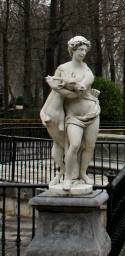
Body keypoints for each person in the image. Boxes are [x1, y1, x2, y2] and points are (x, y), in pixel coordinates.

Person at [41, 35, 100, 191]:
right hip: (73, 116)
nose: (83, 53)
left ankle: (83, 173)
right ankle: (68, 177)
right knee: (74, 145)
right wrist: (44, 110)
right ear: (73, 49)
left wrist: (62, 87)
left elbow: (80, 89)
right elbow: (56, 93)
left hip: (93, 110)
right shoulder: (62, 68)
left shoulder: (87, 69)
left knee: (89, 146)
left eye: (85, 50)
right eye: (80, 49)